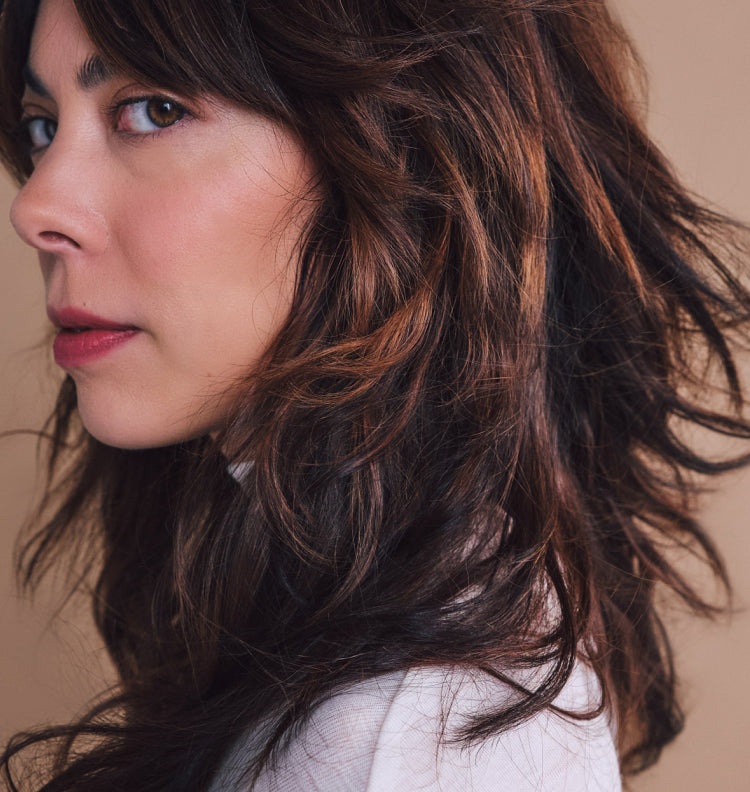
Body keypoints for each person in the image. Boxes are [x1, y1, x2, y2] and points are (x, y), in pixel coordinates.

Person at [1, 0, 749, 790]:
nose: (36, 207)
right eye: (43, 126)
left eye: (152, 109)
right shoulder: (347, 636)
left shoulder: (418, 734)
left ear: (396, 151)